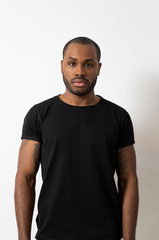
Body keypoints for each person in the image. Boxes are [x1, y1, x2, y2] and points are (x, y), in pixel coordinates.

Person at [14, 36, 139, 240]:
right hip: (52, 234)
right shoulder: (39, 114)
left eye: (88, 64)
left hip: (105, 234)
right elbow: (25, 177)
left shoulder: (118, 117)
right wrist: (23, 238)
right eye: (72, 63)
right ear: (62, 66)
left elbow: (128, 179)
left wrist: (129, 238)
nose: (79, 71)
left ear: (98, 68)